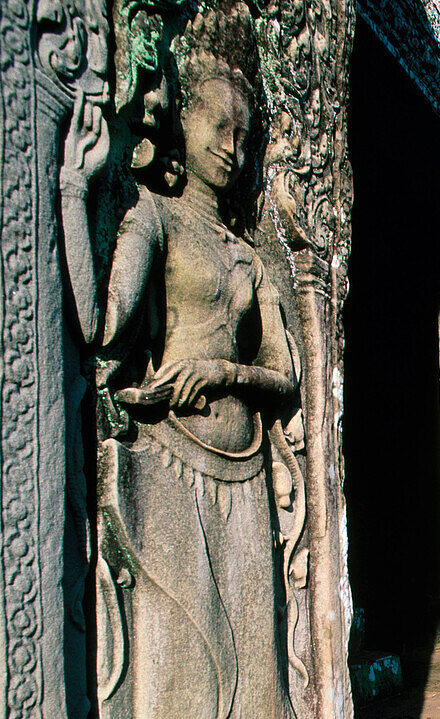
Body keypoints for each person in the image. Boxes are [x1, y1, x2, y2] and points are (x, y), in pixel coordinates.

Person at [93, 5, 298, 717]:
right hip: (169, 456)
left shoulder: (249, 254)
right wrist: (71, 190)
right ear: (182, 121)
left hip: (243, 459)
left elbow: (284, 370)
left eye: (244, 135)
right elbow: (107, 322)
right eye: (218, 125)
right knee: (178, 651)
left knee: (255, 652)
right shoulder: (152, 215)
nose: (232, 148)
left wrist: (226, 373)